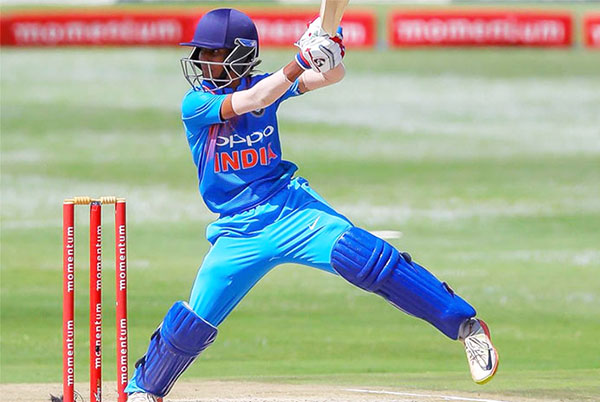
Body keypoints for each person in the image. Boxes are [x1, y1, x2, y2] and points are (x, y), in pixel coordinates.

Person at [125, 8, 499, 402]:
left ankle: (467, 328)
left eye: (212, 52)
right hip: (237, 231)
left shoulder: (266, 83)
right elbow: (254, 99)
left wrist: (329, 50)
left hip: (291, 210)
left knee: (365, 258)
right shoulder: (196, 103)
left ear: (239, 54)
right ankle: (144, 390)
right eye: (200, 52)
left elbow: (332, 77)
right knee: (195, 320)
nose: (203, 61)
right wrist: (301, 59)